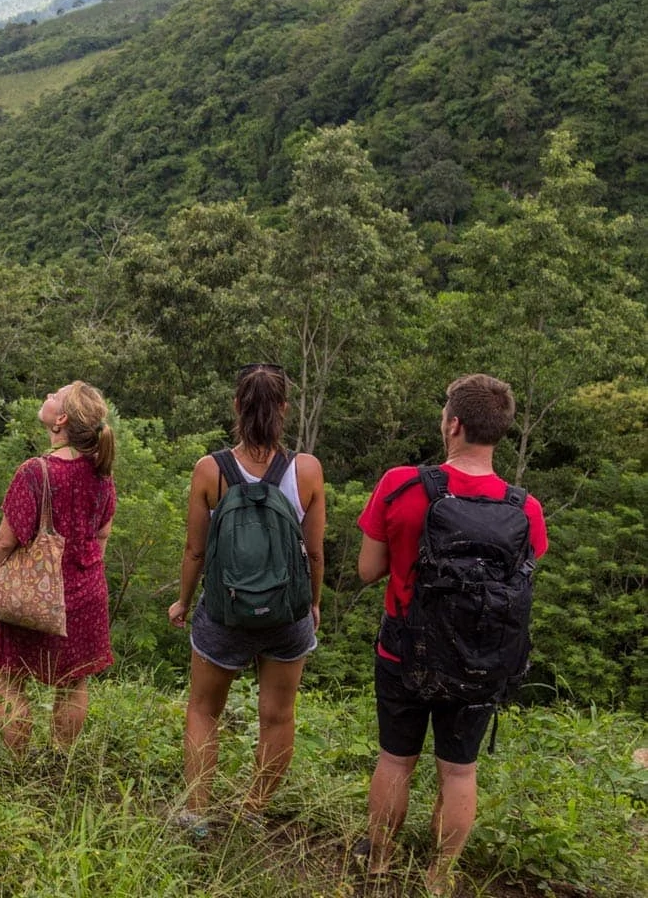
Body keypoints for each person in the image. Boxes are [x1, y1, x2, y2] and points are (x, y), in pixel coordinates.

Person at [354, 374, 547, 894]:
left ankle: (377, 866)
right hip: (481, 659)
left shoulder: (401, 484)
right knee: (459, 771)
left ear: (454, 424)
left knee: (396, 759)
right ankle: (439, 879)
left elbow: (367, 571)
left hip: (404, 651)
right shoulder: (525, 508)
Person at [167, 363, 326, 835]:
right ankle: (253, 811)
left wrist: (182, 600)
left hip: (225, 613)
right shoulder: (307, 469)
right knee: (277, 716)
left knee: (203, 710)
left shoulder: (210, 470)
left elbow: (195, 549)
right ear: (283, 409)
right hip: (286, 614)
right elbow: (315, 553)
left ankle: (197, 813)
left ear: (236, 406)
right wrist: (312, 604)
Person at [0, 381, 117, 754]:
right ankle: (61, 760)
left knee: (10, 679)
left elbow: (5, 542)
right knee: (74, 683)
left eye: (53, 397)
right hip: (85, 591)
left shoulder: (34, 472)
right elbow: (102, 535)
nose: (46, 396)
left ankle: (17, 765)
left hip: (33, 594)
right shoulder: (101, 473)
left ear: (60, 420)